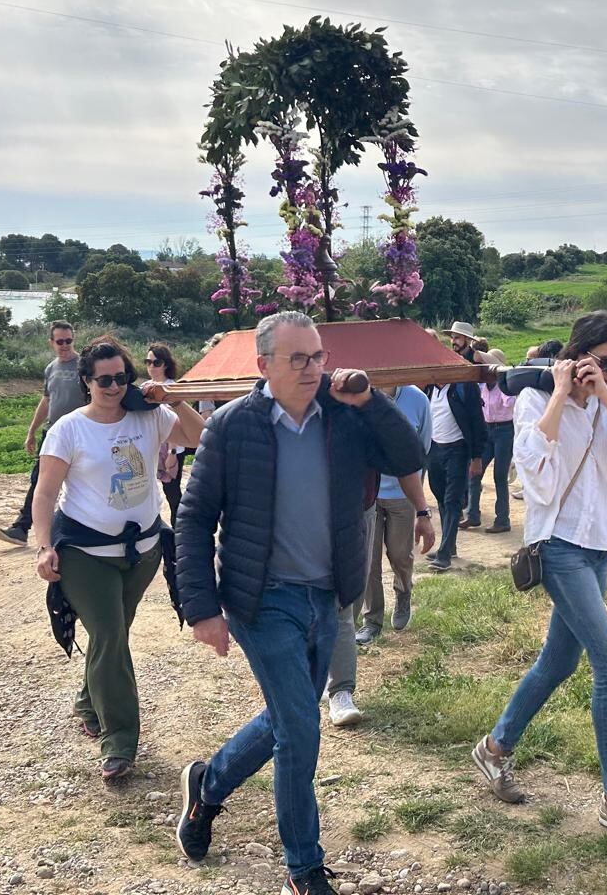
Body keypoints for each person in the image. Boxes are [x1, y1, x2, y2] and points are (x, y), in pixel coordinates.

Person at [175, 312, 427, 895]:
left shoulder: (344, 416)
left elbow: (408, 453)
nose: (314, 368)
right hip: (260, 601)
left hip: (327, 596)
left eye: (318, 356)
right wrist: (202, 608)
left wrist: (370, 402)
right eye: (299, 359)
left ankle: (208, 786)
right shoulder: (231, 427)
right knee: (301, 729)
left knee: (287, 720)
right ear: (263, 366)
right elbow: (193, 520)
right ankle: (303, 868)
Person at [468, 312, 607, 834]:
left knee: (557, 662)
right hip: (558, 547)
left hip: (600, 544)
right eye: (604, 361)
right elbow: (533, 468)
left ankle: (494, 748)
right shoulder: (536, 399)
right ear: (578, 356)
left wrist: (606, 400)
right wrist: (560, 394)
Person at [32, 337, 204, 781]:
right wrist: (44, 545)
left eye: (121, 377)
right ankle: (120, 741)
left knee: (114, 635)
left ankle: (89, 700)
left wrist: (172, 398)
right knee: (110, 635)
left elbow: (200, 436)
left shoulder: (150, 416)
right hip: (86, 555)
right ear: (86, 381)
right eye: (104, 379)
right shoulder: (69, 428)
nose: (114, 386)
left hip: (142, 551)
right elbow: (46, 492)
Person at [356, 384, 436, 645]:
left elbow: (419, 449)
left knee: (401, 555)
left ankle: (403, 593)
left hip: (403, 496)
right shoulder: (359, 395)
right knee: (369, 562)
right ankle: (372, 620)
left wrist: (421, 508)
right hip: (369, 495)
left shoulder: (417, 399)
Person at [0, 321, 84, 545]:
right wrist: (32, 431)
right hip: (53, 433)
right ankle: (21, 528)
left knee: (83, 479)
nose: (65, 345)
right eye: (60, 341)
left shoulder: (85, 366)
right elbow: (46, 401)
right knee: (40, 480)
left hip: (81, 433)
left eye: (68, 341)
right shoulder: (51, 368)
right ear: (51, 342)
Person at [425, 322, 487, 565]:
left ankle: (444, 554)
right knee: (440, 497)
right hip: (435, 449)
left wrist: (476, 457)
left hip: (457, 450)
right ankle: (448, 547)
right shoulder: (431, 389)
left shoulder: (465, 387)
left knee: (452, 501)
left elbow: (476, 422)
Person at [468, 349, 516, 534]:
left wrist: (504, 382)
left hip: (505, 430)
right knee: (474, 471)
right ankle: (473, 514)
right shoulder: (482, 387)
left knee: (499, 476)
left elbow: (510, 403)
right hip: (488, 429)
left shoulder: (503, 386)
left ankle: (503, 519)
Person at [142, 343, 189, 522]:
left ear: (166, 364)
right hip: (153, 445)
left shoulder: (171, 388)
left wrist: (172, 452)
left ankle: (179, 530)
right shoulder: (146, 387)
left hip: (172, 446)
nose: (151, 366)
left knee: (172, 492)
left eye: (156, 362)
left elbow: (176, 421)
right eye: (148, 362)